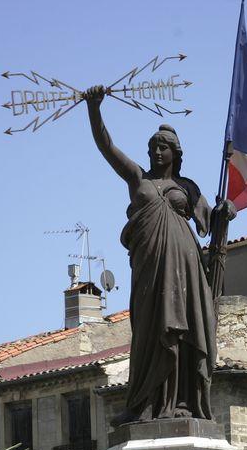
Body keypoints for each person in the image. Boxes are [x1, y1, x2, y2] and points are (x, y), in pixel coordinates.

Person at [83, 85, 235, 425]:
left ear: (175, 153)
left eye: (163, 147)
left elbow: (211, 223)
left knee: (183, 332)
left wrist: (227, 208)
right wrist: (94, 109)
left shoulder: (188, 188)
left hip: (185, 269)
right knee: (150, 332)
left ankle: (182, 401)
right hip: (151, 272)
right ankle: (145, 403)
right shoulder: (139, 179)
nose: (156, 152)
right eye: (152, 147)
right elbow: (106, 146)